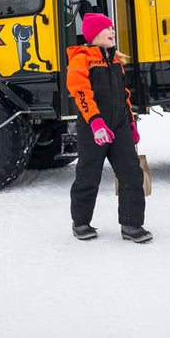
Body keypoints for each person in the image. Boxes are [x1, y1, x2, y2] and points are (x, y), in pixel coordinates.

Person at [66, 13, 152, 243]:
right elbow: (81, 93)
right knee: (88, 174)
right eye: (107, 29)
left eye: (112, 28)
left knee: (132, 172)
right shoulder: (81, 60)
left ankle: (131, 224)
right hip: (93, 125)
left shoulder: (115, 61)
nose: (112, 32)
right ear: (94, 35)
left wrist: (131, 123)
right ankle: (81, 221)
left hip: (120, 124)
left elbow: (124, 96)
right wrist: (95, 122)